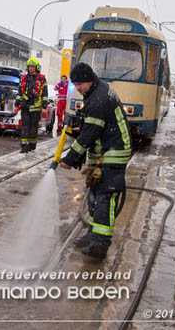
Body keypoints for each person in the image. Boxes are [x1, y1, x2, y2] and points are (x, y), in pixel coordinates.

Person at [59, 62, 131, 260]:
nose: (78, 88)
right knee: (94, 195)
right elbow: (92, 127)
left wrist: (71, 158)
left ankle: (99, 245)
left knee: (104, 199)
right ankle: (93, 235)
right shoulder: (97, 91)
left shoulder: (98, 100)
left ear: (88, 80)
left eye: (79, 84)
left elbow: (91, 133)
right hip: (105, 152)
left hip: (113, 153)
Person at [15, 58, 48, 153]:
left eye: (33, 67)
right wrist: (17, 102)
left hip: (36, 107)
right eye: (29, 66)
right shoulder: (24, 78)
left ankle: (32, 145)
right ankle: (24, 146)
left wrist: (44, 105)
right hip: (25, 106)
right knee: (24, 127)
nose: (31, 68)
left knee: (33, 127)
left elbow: (45, 92)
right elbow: (19, 91)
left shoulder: (41, 78)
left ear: (36, 67)